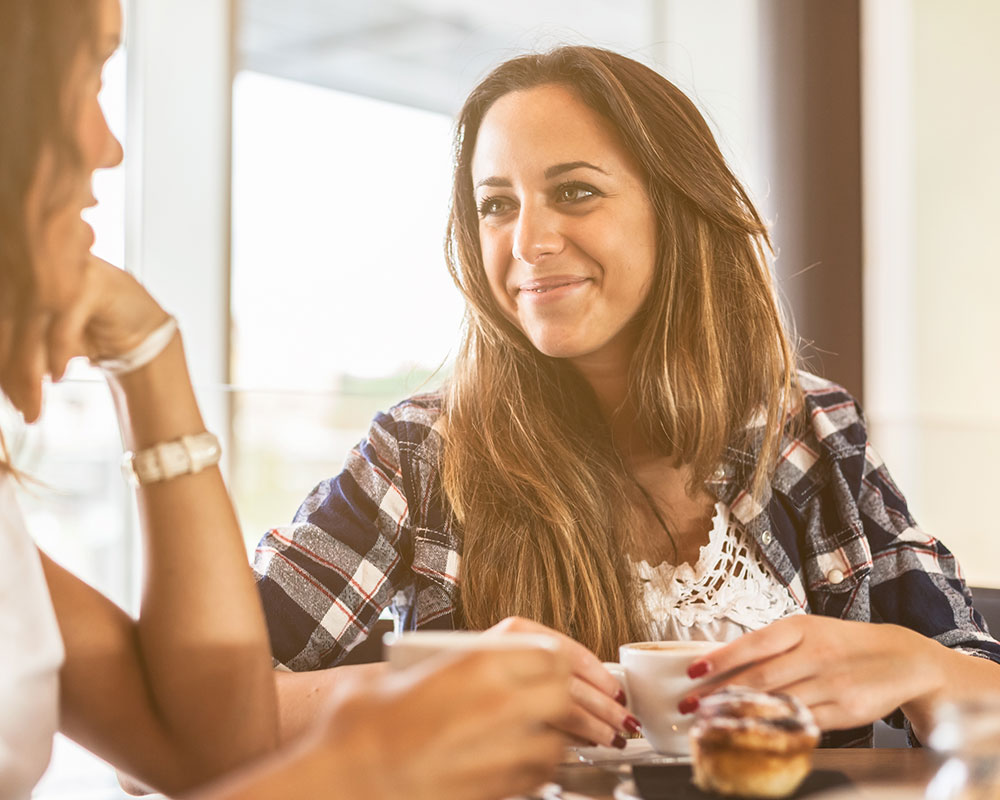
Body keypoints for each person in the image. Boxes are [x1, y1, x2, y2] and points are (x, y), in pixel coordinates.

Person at [254, 44, 1000, 751]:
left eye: (574, 192)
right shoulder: (419, 454)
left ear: (678, 208)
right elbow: (206, 712)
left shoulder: (811, 428)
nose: (527, 242)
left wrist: (918, 665)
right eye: (496, 205)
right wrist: (422, 691)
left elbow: (982, 693)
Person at [0, 1, 571, 798]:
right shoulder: (419, 449)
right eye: (88, 75)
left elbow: (205, 747)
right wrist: (366, 763)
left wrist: (150, 354)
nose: (109, 144)